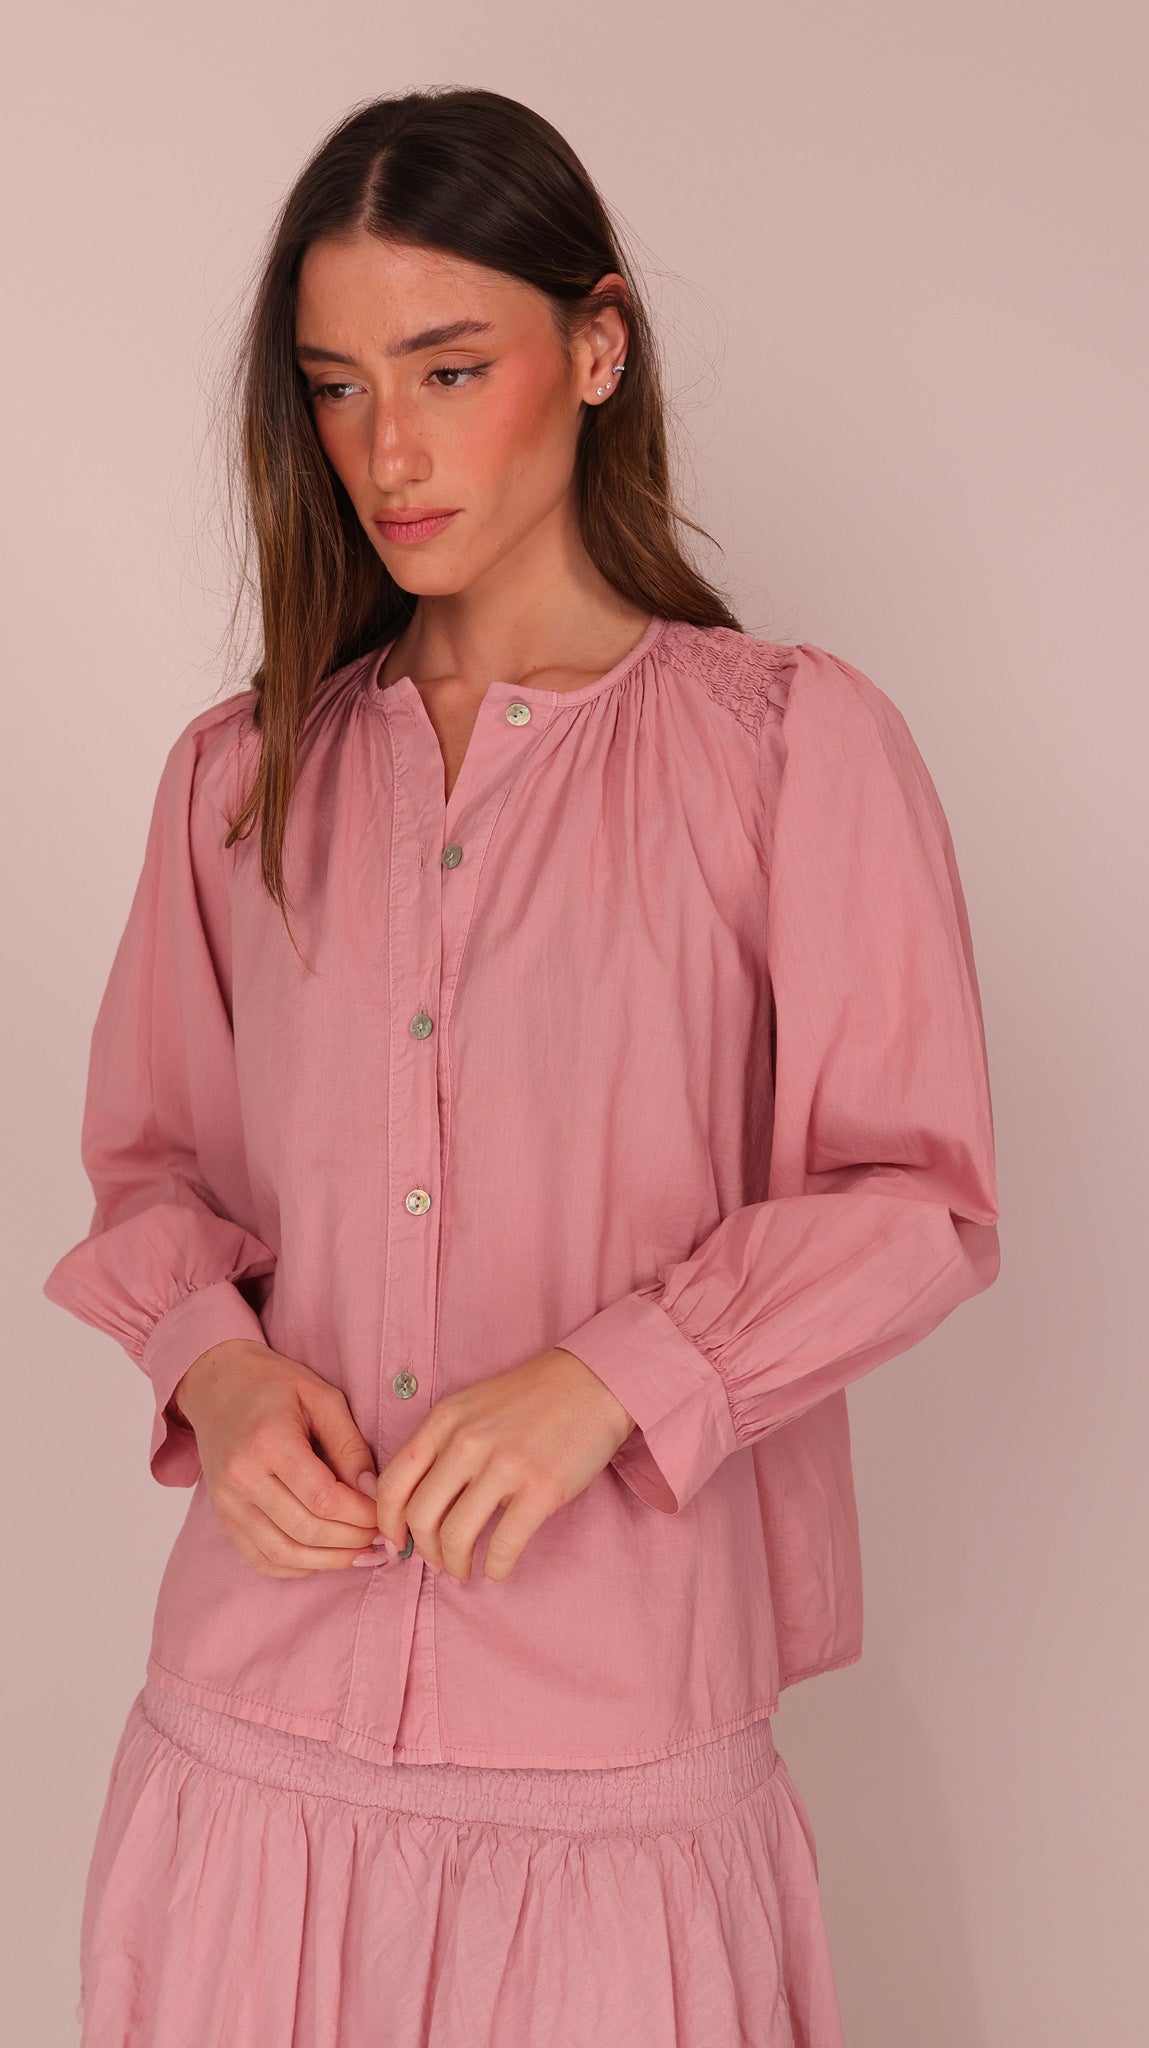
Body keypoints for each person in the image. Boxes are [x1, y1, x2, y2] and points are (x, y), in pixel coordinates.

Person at [42, 86, 1001, 2048]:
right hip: (246, 1759)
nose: (385, 450)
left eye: (446, 367)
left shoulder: (787, 750)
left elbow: (915, 1199)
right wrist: (217, 1372)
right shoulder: (238, 780)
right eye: (334, 388)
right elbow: (152, 1171)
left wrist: (616, 1377)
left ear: (596, 345)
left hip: (612, 1765)